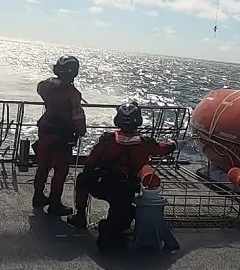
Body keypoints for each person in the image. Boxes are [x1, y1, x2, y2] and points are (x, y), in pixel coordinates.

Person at [65, 101, 176, 251]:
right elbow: (163, 150)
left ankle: (80, 216)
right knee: (122, 218)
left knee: (82, 179)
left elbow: (90, 164)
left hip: (103, 185)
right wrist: (173, 144)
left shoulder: (107, 141)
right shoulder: (145, 144)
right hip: (126, 190)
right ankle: (111, 228)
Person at [32, 55, 87, 215]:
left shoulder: (46, 85)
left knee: (42, 166)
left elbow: (40, 89)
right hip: (62, 136)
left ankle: (38, 196)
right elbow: (77, 116)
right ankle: (55, 203)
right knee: (60, 170)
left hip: (45, 130)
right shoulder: (72, 93)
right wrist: (81, 131)